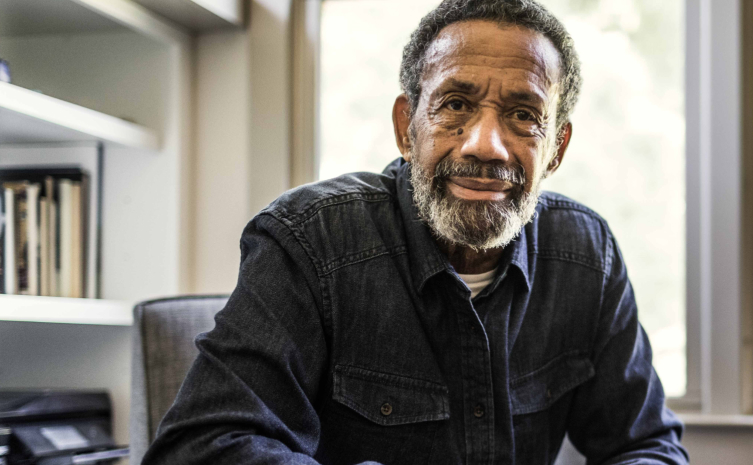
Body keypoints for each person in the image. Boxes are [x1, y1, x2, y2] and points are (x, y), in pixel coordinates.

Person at [144, 0, 685, 463]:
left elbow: (647, 444)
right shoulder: (309, 240)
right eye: (456, 104)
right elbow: (202, 447)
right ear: (407, 127)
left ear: (557, 150)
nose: (486, 146)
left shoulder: (587, 255)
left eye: (524, 114)